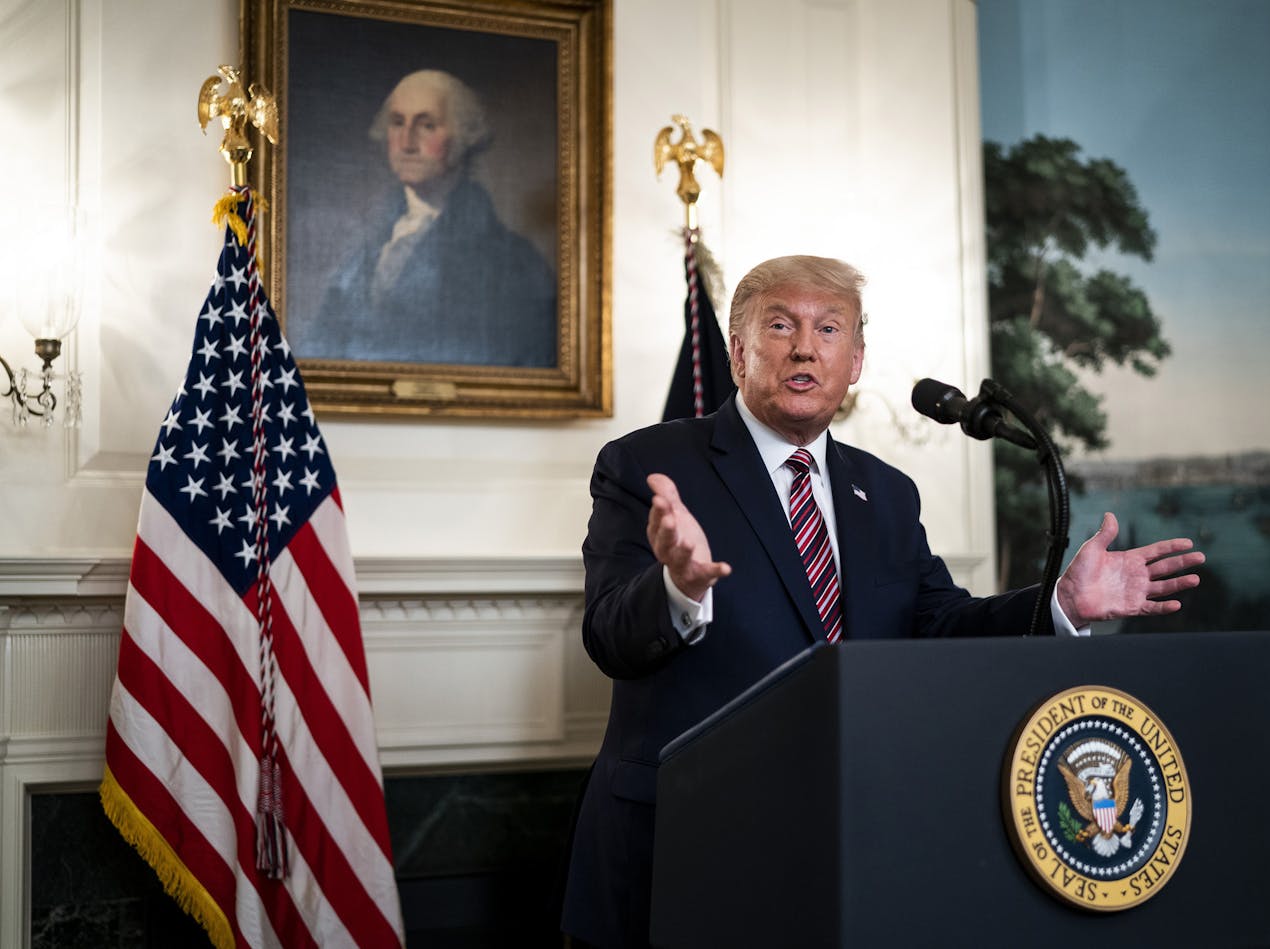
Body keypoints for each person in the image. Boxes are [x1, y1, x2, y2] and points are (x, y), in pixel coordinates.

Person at [560, 255, 1204, 948]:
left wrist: (1057, 605)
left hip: (845, 846)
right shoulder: (647, 466)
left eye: (829, 328)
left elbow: (939, 627)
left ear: (856, 358)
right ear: (739, 353)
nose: (806, 346)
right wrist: (676, 588)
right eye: (781, 325)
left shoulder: (887, 493)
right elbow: (607, 636)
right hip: (685, 846)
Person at [301, 69, 557, 367]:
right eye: (397, 123)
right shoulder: (365, 250)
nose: (407, 142)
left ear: (463, 137)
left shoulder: (514, 263)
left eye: (427, 125)